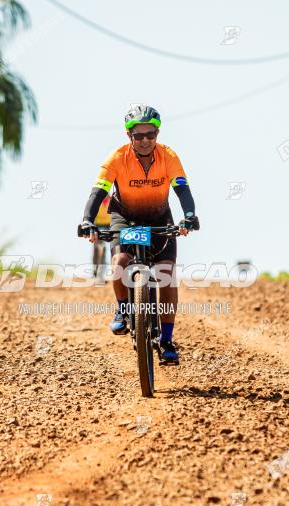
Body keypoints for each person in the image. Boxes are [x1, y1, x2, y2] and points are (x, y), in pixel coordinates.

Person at [78, 105, 199, 365]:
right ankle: (123, 308)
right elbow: (97, 192)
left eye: (150, 135)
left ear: (157, 133)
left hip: (159, 218)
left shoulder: (169, 156)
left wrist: (189, 215)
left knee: (166, 274)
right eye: (139, 136)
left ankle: (167, 340)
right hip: (126, 218)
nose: (145, 141)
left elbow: (182, 189)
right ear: (128, 136)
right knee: (120, 263)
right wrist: (87, 220)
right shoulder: (116, 158)